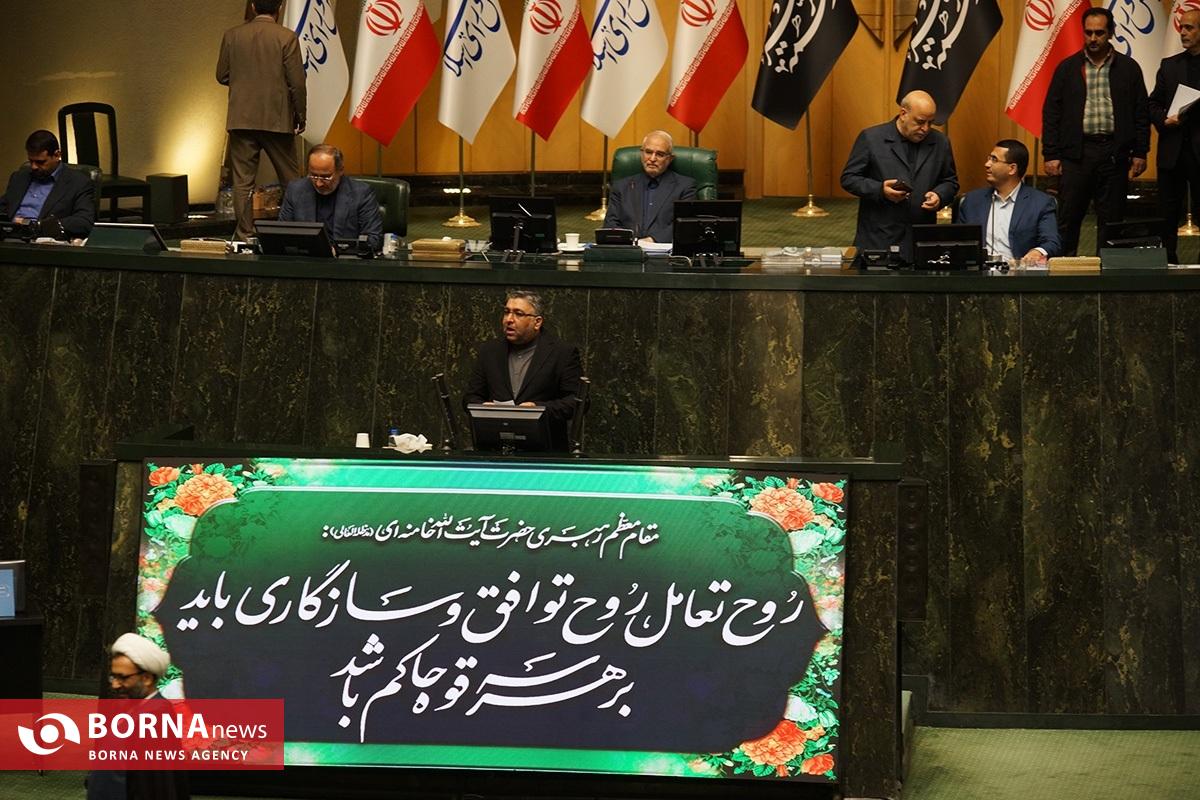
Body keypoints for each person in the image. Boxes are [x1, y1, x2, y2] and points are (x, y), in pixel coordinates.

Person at [1043, 6, 1149, 256]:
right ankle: (1064, 269)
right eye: (1088, 32)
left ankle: (1107, 271)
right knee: (1069, 218)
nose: (1093, 38)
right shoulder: (1067, 68)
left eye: (1099, 33)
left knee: (1111, 220)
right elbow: (1051, 113)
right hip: (1076, 155)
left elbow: (1141, 113)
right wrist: (1051, 154)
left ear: (1110, 33)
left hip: (1114, 153)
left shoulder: (1129, 68)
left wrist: (1140, 152)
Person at [217, 0, 306, 241]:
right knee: (291, 180)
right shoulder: (287, 37)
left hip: (241, 119)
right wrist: (300, 115)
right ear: (280, 7)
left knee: (242, 182)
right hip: (278, 118)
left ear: (253, 6)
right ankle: (297, 231)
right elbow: (297, 83)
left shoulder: (232, 35)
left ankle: (244, 235)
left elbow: (221, 75)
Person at [840, 90, 958, 264]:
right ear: (903, 114)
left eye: (930, 123)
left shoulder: (941, 142)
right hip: (879, 238)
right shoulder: (872, 138)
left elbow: (950, 181)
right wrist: (880, 190)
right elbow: (849, 178)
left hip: (921, 238)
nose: (925, 129)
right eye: (920, 122)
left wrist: (939, 195)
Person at [463, 291, 583, 452]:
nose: (509, 319)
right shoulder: (489, 351)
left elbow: (577, 401)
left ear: (537, 322)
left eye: (518, 314)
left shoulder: (562, 353)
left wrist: (539, 410)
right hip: (495, 449)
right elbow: (470, 397)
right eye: (506, 312)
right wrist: (483, 407)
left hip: (544, 452)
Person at [86, 633, 190, 800]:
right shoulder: (134, 710)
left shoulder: (153, 719)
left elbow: (154, 787)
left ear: (146, 678)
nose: (114, 685)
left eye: (123, 678)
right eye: (113, 676)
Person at [954, 139, 1061, 264]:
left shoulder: (1040, 203)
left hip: (1018, 272)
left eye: (994, 160)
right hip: (980, 272)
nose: (987, 164)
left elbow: (1052, 242)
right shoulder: (972, 201)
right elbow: (956, 241)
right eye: (989, 158)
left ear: (1012, 169)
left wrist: (1037, 252)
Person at [1149, 8, 1200, 263]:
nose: (1183, 32)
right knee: (1167, 214)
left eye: (1189, 27)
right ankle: (1167, 262)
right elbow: (1152, 104)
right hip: (1173, 151)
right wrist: (1163, 120)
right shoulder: (1169, 66)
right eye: (1181, 27)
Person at [278, 144, 383, 251]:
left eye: (326, 177)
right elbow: (281, 234)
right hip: (306, 257)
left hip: (344, 258)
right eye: (313, 175)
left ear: (340, 170)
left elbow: (374, 240)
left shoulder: (361, 193)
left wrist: (336, 250)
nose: (318, 183)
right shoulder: (295, 190)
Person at [603, 130, 696, 243]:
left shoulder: (685, 186)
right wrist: (626, 242)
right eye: (648, 152)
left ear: (669, 159)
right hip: (628, 248)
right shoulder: (621, 186)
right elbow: (611, 223)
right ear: (642, 153)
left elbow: (685, 223)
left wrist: (652, 240)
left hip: (664, 249)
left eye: (660, 154)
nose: (652, 159)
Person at [0, 130, 94, 239]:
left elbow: (84, 222)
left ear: (57, 155)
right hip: (9, 236)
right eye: (31, 161)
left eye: (40, 162)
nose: (34, 167)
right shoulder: (19, 177)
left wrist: (38, 226)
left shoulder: (78, 182)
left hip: (44, 239)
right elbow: (4, 207)